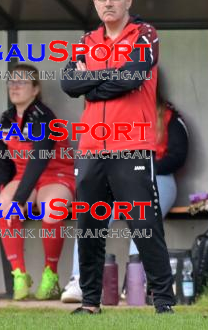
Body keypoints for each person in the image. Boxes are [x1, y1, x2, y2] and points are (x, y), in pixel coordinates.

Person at [60, 0, 176, 314]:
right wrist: (104, 80)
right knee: (89, 230)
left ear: (128, 0)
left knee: (144, 226)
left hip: (132, 147)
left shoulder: (145, 35)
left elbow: (135, 74)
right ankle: (91, 303)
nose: (108, 3)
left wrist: (90, 84)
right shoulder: (85, 41)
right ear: (95, 4)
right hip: (91, 150)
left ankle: (164, 304)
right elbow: (69, 82)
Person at [61, 81, 189, 303]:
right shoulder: (106, 115)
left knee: (142, 220)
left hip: (156, 176)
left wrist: (138, 171)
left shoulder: (168, 114)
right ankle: (79, 281)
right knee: (90, 218)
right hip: (115, 177)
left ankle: (139, 284)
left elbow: (178, 156)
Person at [0, 64, 75, 301]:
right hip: (24, 177)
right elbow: (0, 162)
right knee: (2, 206)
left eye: (21, 82)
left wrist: (18, 199)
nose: (14, 87)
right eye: (11, 82)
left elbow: (39, 161)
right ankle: (19, 275)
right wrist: (3, 193)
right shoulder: (6, 119)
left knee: (52, 208)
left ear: (35, 89)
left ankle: (51, 275)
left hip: (55, 174)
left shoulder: (44, 117)